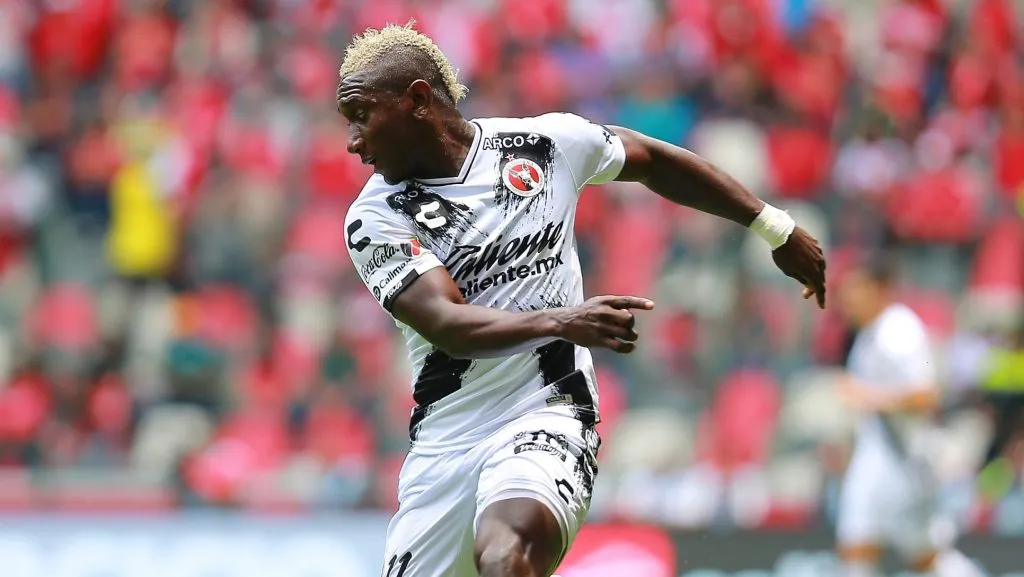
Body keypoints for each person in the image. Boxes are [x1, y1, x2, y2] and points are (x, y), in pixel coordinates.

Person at [338, 23, 826, 577]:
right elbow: (446, 323)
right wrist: (561, 321)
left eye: (362, 116)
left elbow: (651, 159)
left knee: (506, 554)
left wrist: (773, 226)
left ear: (419, 100)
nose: (353, 140)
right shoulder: (376, 215)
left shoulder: (540, 147)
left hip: (548, 413)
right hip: (446, 444)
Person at [836, 257, 983, 577]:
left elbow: (926, 394)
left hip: (904, 457)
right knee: (862, 544)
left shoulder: (899, 332)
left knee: (919, 555)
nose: (847, 300)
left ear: (879, 289)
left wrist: (869, 397)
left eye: (855, 290)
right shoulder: (869, 333)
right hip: (879, 456)